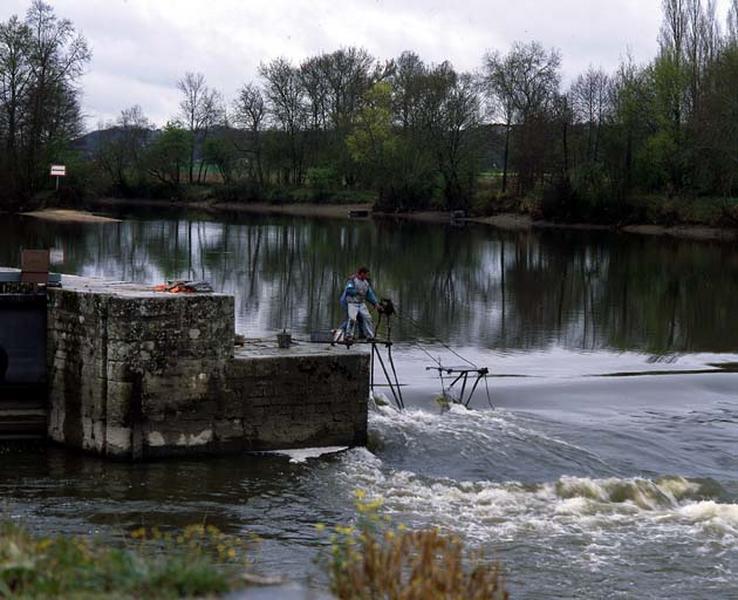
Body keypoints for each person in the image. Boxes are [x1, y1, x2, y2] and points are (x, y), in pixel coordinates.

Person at [336, 266, 381, 342]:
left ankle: (370, 336)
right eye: (366, 274)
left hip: (361, 303)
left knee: (368, 318)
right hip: (352, 303)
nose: (367, 276)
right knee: (352, 319)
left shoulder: (366, 283)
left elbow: (369, 294)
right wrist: (357, 291)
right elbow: (348, 290)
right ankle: (348, 336)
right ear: (362, 273)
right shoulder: (352, 281)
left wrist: (376, 303)